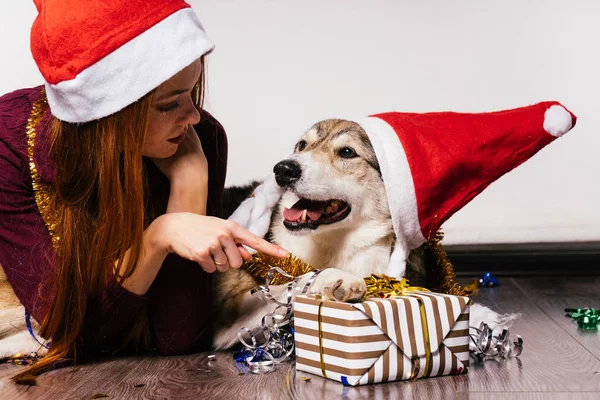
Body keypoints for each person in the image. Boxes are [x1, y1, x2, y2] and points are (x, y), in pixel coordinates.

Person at [0, 0, 288, 380]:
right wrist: (157, 237)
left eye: (192, 92)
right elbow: (73, 334)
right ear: (107, 116)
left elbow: (178, 338)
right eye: (169, 105)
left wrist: (189, 181)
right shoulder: (11, 142)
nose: (194, 115)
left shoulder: (200, 139)